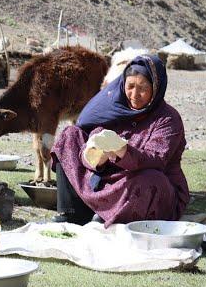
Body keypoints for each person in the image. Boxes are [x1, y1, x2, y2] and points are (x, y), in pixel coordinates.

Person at [50, 54, 190, 227]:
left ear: (156, 88)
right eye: (130, 86)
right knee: (69, 136)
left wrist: (123, 151)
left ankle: (115, 216)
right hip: (109, 178)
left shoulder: (167, 119)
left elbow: (157, 160)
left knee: (151, 180)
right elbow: (96, 137)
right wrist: (93, 156)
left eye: (143, 88)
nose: (134, 94)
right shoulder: (115, 108)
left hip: (143, 182)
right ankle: (74, 212)